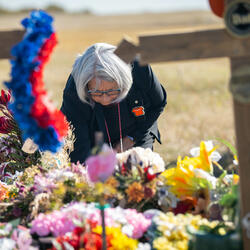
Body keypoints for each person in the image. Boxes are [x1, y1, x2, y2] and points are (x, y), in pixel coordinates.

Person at [60, 43, 167, 163]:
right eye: (96, 93)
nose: (105, 99)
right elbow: (77, 141)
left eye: (112, 91)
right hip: (94, 134)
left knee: (137, 169)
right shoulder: (75, 88)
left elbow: (158, 104)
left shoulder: (139, 68)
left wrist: (134, 137)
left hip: (137, 129)